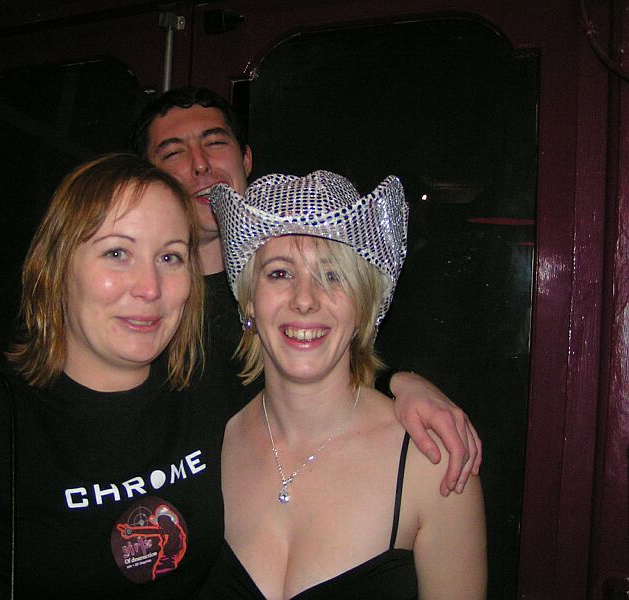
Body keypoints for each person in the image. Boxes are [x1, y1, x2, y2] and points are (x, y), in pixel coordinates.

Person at [0, 86, 480, 494]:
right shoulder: (118, 307)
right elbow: (45, 390)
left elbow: (336, 361)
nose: (199, 166)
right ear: (146, 176)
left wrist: (401, 382)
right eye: (172, 152)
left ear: (246, 159)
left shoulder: (295, 285)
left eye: (215, 143)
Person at [0, 154, 228, 599]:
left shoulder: (211, 395)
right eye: (116, 253)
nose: (150, 287)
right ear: (57, 268)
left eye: (170, 256)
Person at [198, 171, 487, 599]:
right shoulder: (207, 447)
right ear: (249, 301)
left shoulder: (431, 462)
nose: (305, 299)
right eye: (279, 273)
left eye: (332, 276)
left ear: (363, 307)